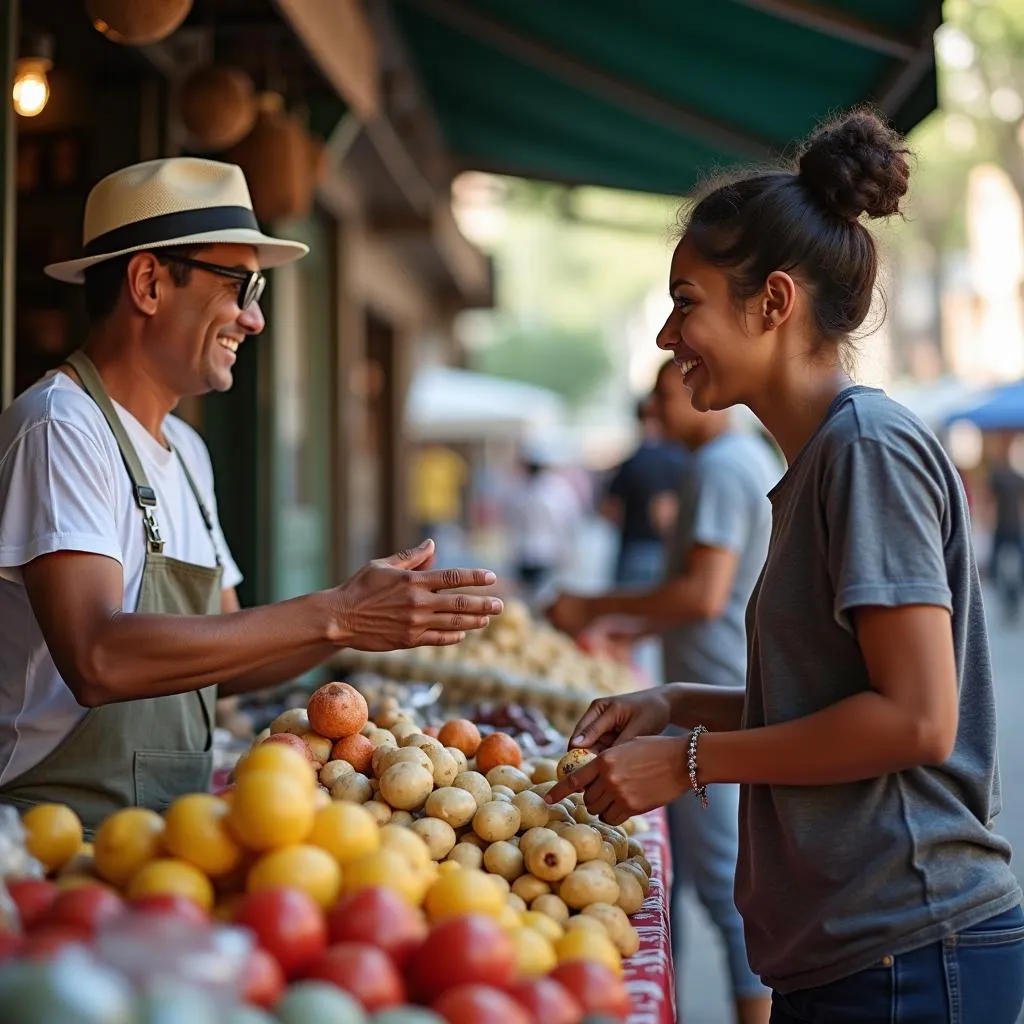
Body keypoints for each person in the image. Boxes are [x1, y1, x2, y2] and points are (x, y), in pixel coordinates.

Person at [546, 110, 1024, 1023]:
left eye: (685, 301)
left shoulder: (865, 452)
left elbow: (918, 721)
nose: (666, 340)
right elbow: (840, 701)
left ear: (771, 302)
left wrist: (690, 759)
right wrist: (679, 701)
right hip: (860, 954)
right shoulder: (819, 461)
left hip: (912, 955)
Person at [0, 157, 501, 830]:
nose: (254, 319)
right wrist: (336, 615)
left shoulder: (190, 453)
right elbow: (97, 656)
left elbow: (227, 661)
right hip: (52, 837)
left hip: (162, 831)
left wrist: (366, 620)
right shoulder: (62, 427)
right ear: (149, 282)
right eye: (241, 285)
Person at [549, 357, 777, 1024]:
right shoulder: (736, 460)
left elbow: (703, 594)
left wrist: (593, 607)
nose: (653, 413)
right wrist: (632, 626)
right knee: (726, 883)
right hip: (715, 690)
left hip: (720, 699)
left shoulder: (721, 466)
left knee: (729, 890)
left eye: (659, 396)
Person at [600, 393, 687, 587]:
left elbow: (610, 511)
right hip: (666, 553)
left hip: (634, 550)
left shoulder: (632, 461)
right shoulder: (681, 458)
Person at [505, 447, 581, 604]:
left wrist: (568, 550)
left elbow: (568, 521)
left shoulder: (556, 489)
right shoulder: (520, 487)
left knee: (545, 598)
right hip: (524, 552)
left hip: (548, 552)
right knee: (526, 598)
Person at [986, 438, 1024, 619]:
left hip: (1004, 526)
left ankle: (1006, 595)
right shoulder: (1015, 477)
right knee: (1015, 564)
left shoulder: (999, 476)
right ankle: (1012, 598)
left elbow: (990, 502)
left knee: (996, 564)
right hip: (1013, 526)